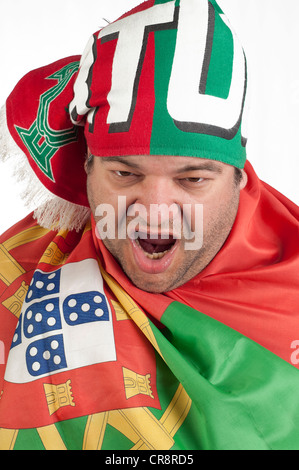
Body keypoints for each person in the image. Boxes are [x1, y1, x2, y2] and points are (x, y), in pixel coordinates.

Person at [0, 0, 299, 451]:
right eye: (125, 174)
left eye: (192, 179)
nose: (155, 210)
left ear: (239, 175)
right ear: (87, 167)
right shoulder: (15, 278)